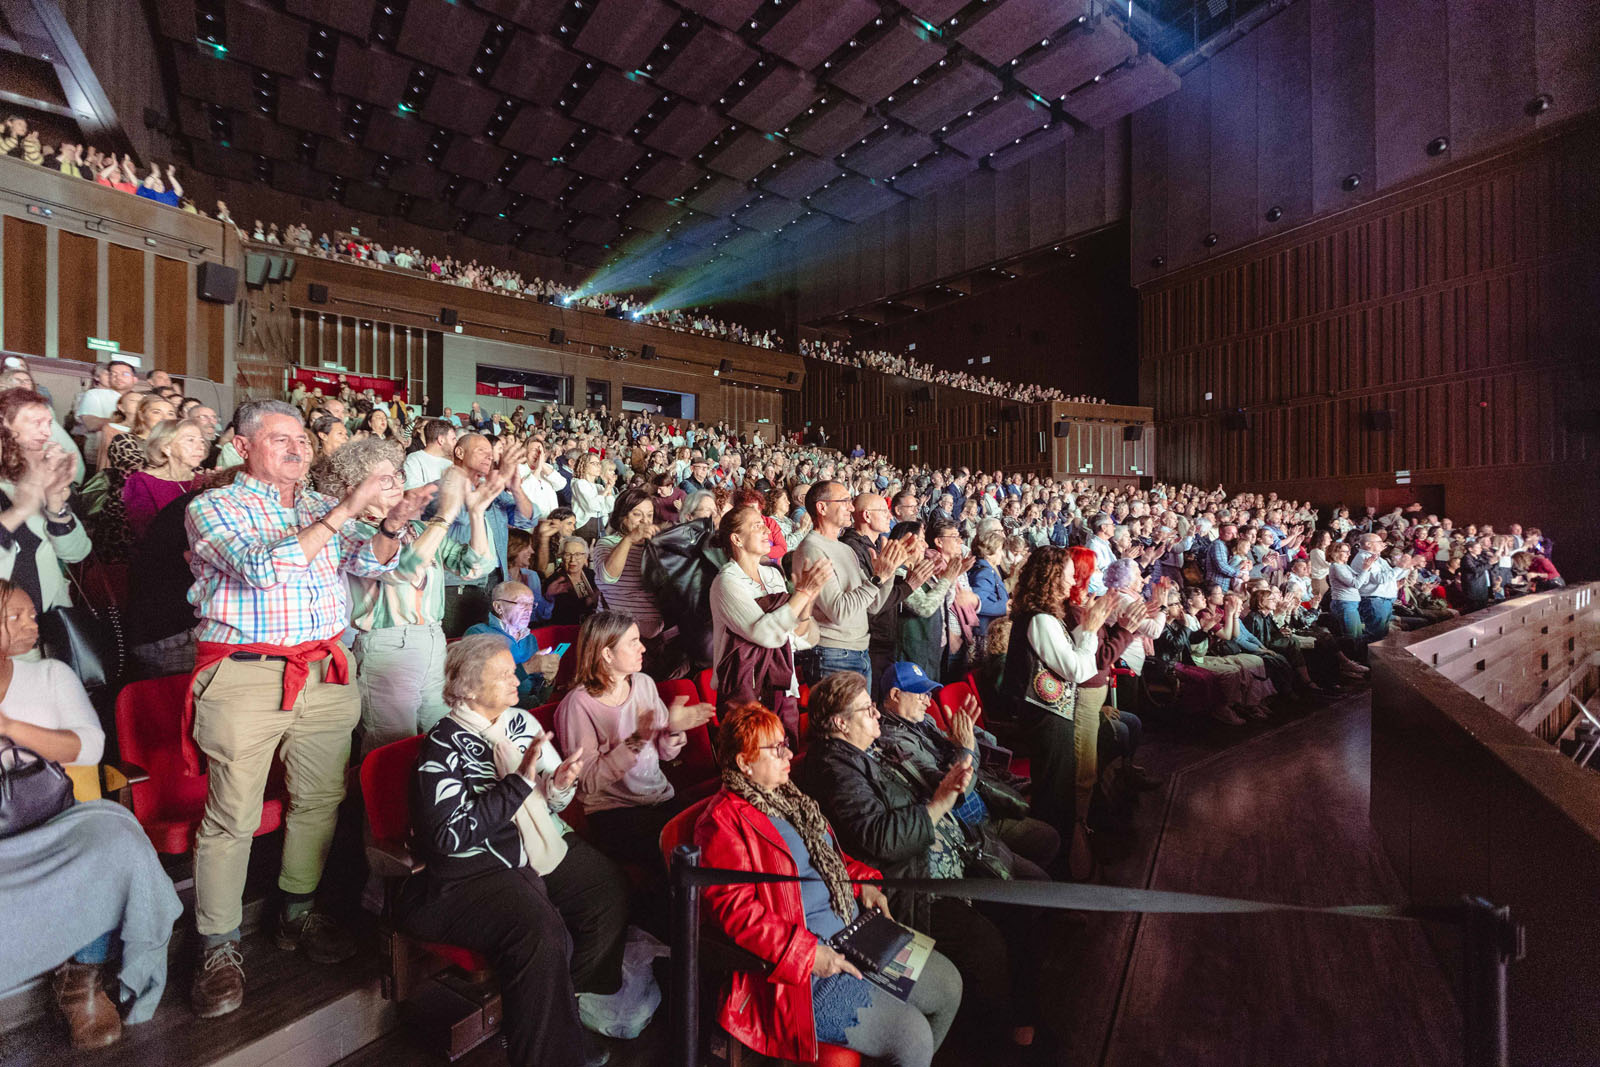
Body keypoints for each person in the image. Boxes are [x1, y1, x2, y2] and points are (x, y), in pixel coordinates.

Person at [183, 399, 434, 1018]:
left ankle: (296, 911)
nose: (298, 449)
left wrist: (392, 524)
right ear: (243, 446)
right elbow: (262, 568)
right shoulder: (214, 507)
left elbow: (371, 563)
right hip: (245, 673)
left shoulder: (319, 504)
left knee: (319, 801)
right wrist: (346, 510)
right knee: (232, 815)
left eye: (302, 439)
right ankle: (217, 944)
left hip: (324, 670)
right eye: (281, 439)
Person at [695, 703, 962, 1067]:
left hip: (855, 932)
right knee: (913, 1038)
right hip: (806, 968)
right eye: (776, 748)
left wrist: (863, 882)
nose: (788, 753)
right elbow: (736, 913)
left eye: (786, 743)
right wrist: (806, 955)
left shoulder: (790, 798)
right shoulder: (722, 822)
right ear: (745, 763)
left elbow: (828, 857)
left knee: (948, 986)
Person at [402, 637, 624, 1067]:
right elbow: (448, 837)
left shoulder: (520, 722)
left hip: (525, 852)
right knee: (541, 932)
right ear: (468, 687)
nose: (516, 680)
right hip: (468, 874)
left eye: (512, 671)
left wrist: (558, 785)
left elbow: (550, 799)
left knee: (600, 893)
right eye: (503, 674)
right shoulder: (443, 745)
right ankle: (549, 1042)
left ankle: (558, 1013)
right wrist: (519, 783)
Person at [798, 671, 1042, 1055]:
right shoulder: (833, 769)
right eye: (866, 709)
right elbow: (880, 837)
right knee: (986, 945)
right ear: (841, 724)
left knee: (1019, 903)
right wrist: (939, 802)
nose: (876, 713)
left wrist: (959, 762)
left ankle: (1016, 1019)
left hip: (935, 858)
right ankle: (992, 1044)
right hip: (907, 885)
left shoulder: (865, 752)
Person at [0, 577, 185, 1049]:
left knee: (117, 839)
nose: (31, 623)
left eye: (30, 613)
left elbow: (90, 747)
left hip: (54, 822)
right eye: (14, 617)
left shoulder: (50, 675)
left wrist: (12, 728)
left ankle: (80, 981)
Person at [314, 442, 498, 753]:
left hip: (433, 638)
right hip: (388, 645)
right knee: (393, 747)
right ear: (353, 488)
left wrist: (477, 512)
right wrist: (445, 515)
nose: (398, 484)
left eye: (398, 475)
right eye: (385, 479)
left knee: (443, 739)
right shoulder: (351, 531)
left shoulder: (417, 527)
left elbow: (476, 566)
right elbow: (401, 570)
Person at [553, 611, 713, 870]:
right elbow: (589, 781)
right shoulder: (578, 705)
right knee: (687, 852)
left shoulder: (644, 683)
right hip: (614, 812)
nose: (643, 648)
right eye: (633, 642)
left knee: (714, 833)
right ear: (607, 654)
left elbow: (664, 754)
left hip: (659, 797)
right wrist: (637, 739)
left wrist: (673, 731)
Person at [997, 546, 1114, 863]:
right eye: (1068, 574)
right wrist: (1090, 630)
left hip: (1050, 714)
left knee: (1058, 790)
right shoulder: (1040, 620)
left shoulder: (1044, 618)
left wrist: (1088, 625)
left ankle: (1055, 859)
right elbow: (1076, 669)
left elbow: (1069, 654)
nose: (1073, 580)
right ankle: (1053, 864)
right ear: (1051, 577)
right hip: (1044, 717)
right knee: (1054, 794)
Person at [708, 505, 830, 733]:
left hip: (783, 684)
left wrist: (808, 602)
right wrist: (803, 594)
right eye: (757, 526)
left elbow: (795, 639)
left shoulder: (773, 574)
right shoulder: (726, 582)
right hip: (745, 690)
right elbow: (764, 634)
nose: (767, 531)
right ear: (737, 539)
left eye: (765, 525)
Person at [791, 479, 910, 685]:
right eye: (844, 501)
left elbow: (873, 605)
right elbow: (839, 611)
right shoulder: (812, 549)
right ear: (822, 508)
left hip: (859, 649)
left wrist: (888, 572)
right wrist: (878, 578)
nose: (852, 507)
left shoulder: (845, 549)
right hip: (833, 653)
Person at [0, 402, 85, 614]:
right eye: (36, 423)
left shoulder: (31, 485)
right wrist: (19, 511)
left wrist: (56, 505)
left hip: (44, 613)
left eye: (49, 424)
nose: (47, 433)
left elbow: (76, 553)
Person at [94, 393, 177, 562]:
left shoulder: (177, 446)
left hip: (162, 519)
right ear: (142, 415)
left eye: (170, 413)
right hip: (126, 522)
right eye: (156, 412)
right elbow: (138, 470)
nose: (165, 417)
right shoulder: (124, 440)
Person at [590, 487, 666, 652]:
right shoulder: (607, 544)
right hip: (616, 637)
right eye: (637, 514)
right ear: (621, 516)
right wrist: (629, 539)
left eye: (649, 515)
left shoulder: (656, 546)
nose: (645, 521)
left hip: (654, 641)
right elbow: (608, 576)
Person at [464, 581, 561, 708]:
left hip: (531, 709)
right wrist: (527, 668)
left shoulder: (529, 638)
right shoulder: (479, 634)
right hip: (499, 710)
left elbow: (540, 697)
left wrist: (548, 681)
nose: (528, 610)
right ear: (498, 607)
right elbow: (481, 688)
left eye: (531, 604)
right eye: (521, 603)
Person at [121, 417, 206, 539]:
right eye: (190, 440)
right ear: (167, 448)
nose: (200, 447)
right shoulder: (142, 481)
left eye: (202, 441)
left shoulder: (204, 481)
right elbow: (146, 532)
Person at [545, 536, 599, 624]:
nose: (572, 560)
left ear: (585, 557)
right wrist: (589, 600)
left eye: (578, 554)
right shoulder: (554, 581)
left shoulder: (593, 576)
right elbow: (560, 614)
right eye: (568, 554)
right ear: (561, 557)